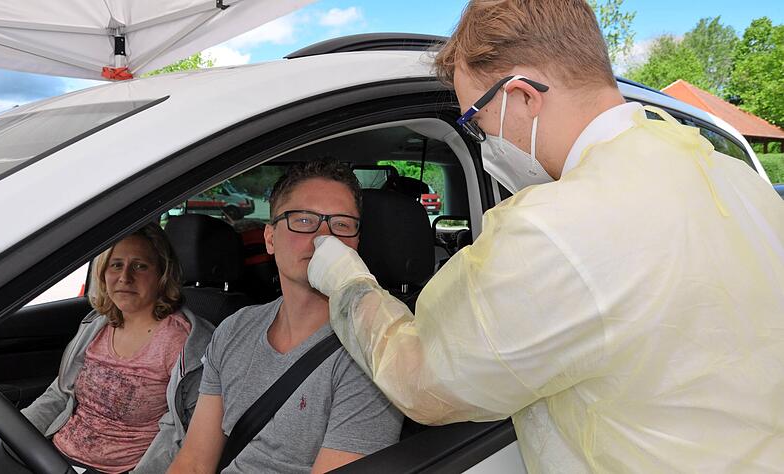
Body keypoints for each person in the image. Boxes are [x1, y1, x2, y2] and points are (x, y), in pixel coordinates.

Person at [306, 1, 784, 472]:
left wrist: (346, 281)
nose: (482, 140)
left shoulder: (556, 229)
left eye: (475, 120)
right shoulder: (732, 178)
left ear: (522, 96)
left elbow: (423, 381)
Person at [168, 161, 402, 474]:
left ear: (356, 244)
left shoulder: (373, 349)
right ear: (270, 238)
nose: (324, 238)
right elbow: (194, 463)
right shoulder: (233, 330)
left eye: (342, 225)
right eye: (303, 220)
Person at [0, 223, 215, 473]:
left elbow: (183, 431)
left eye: (139, 266)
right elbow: (59, 395)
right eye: (116, 265)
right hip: (49, 455)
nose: (125, 277)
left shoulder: (184, 343)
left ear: (162, 274)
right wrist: (3, 441)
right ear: (103, 273)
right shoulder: (97, 325)